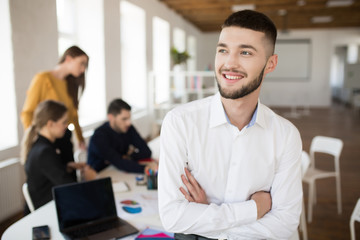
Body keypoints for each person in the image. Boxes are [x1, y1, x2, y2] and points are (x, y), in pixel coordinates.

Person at [158, 10, 302, 240]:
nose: (229, 63)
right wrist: (254, 209)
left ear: (271, 63)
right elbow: (172, 217)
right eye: (223, 50)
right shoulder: (180, 122)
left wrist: (206, 216)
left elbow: (285, 224)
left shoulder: (285, 135)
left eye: (245, 52)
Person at [21, 100, 97, 210]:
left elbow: (48, 174)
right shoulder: (44, 152)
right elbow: (71, 188)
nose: (66, 126)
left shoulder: (41, 145)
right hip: (47, 208)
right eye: (64, 122)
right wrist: (90, 180)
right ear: (50, 124)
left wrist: (67, 166)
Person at [21, 45, 89, 153]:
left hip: (65, 137)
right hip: (46, 140)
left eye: (85, 65)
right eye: (81, 63)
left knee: (68, 168)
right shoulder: (43, 79)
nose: (83, 68)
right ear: (68, 59)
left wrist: (80, 138)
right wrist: (34, 138)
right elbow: (27, 112)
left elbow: (74, 115)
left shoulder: (70, 84)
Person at [87, 98, 157, 174]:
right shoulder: (99, 136)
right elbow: (119, 162)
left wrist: (128, 157)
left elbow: (146, 151)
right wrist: (146, 168)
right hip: (99, 175)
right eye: (124, 119)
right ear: (111, 117)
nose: (128, 123)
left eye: (129, 118)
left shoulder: (128, 128)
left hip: (118, 172)